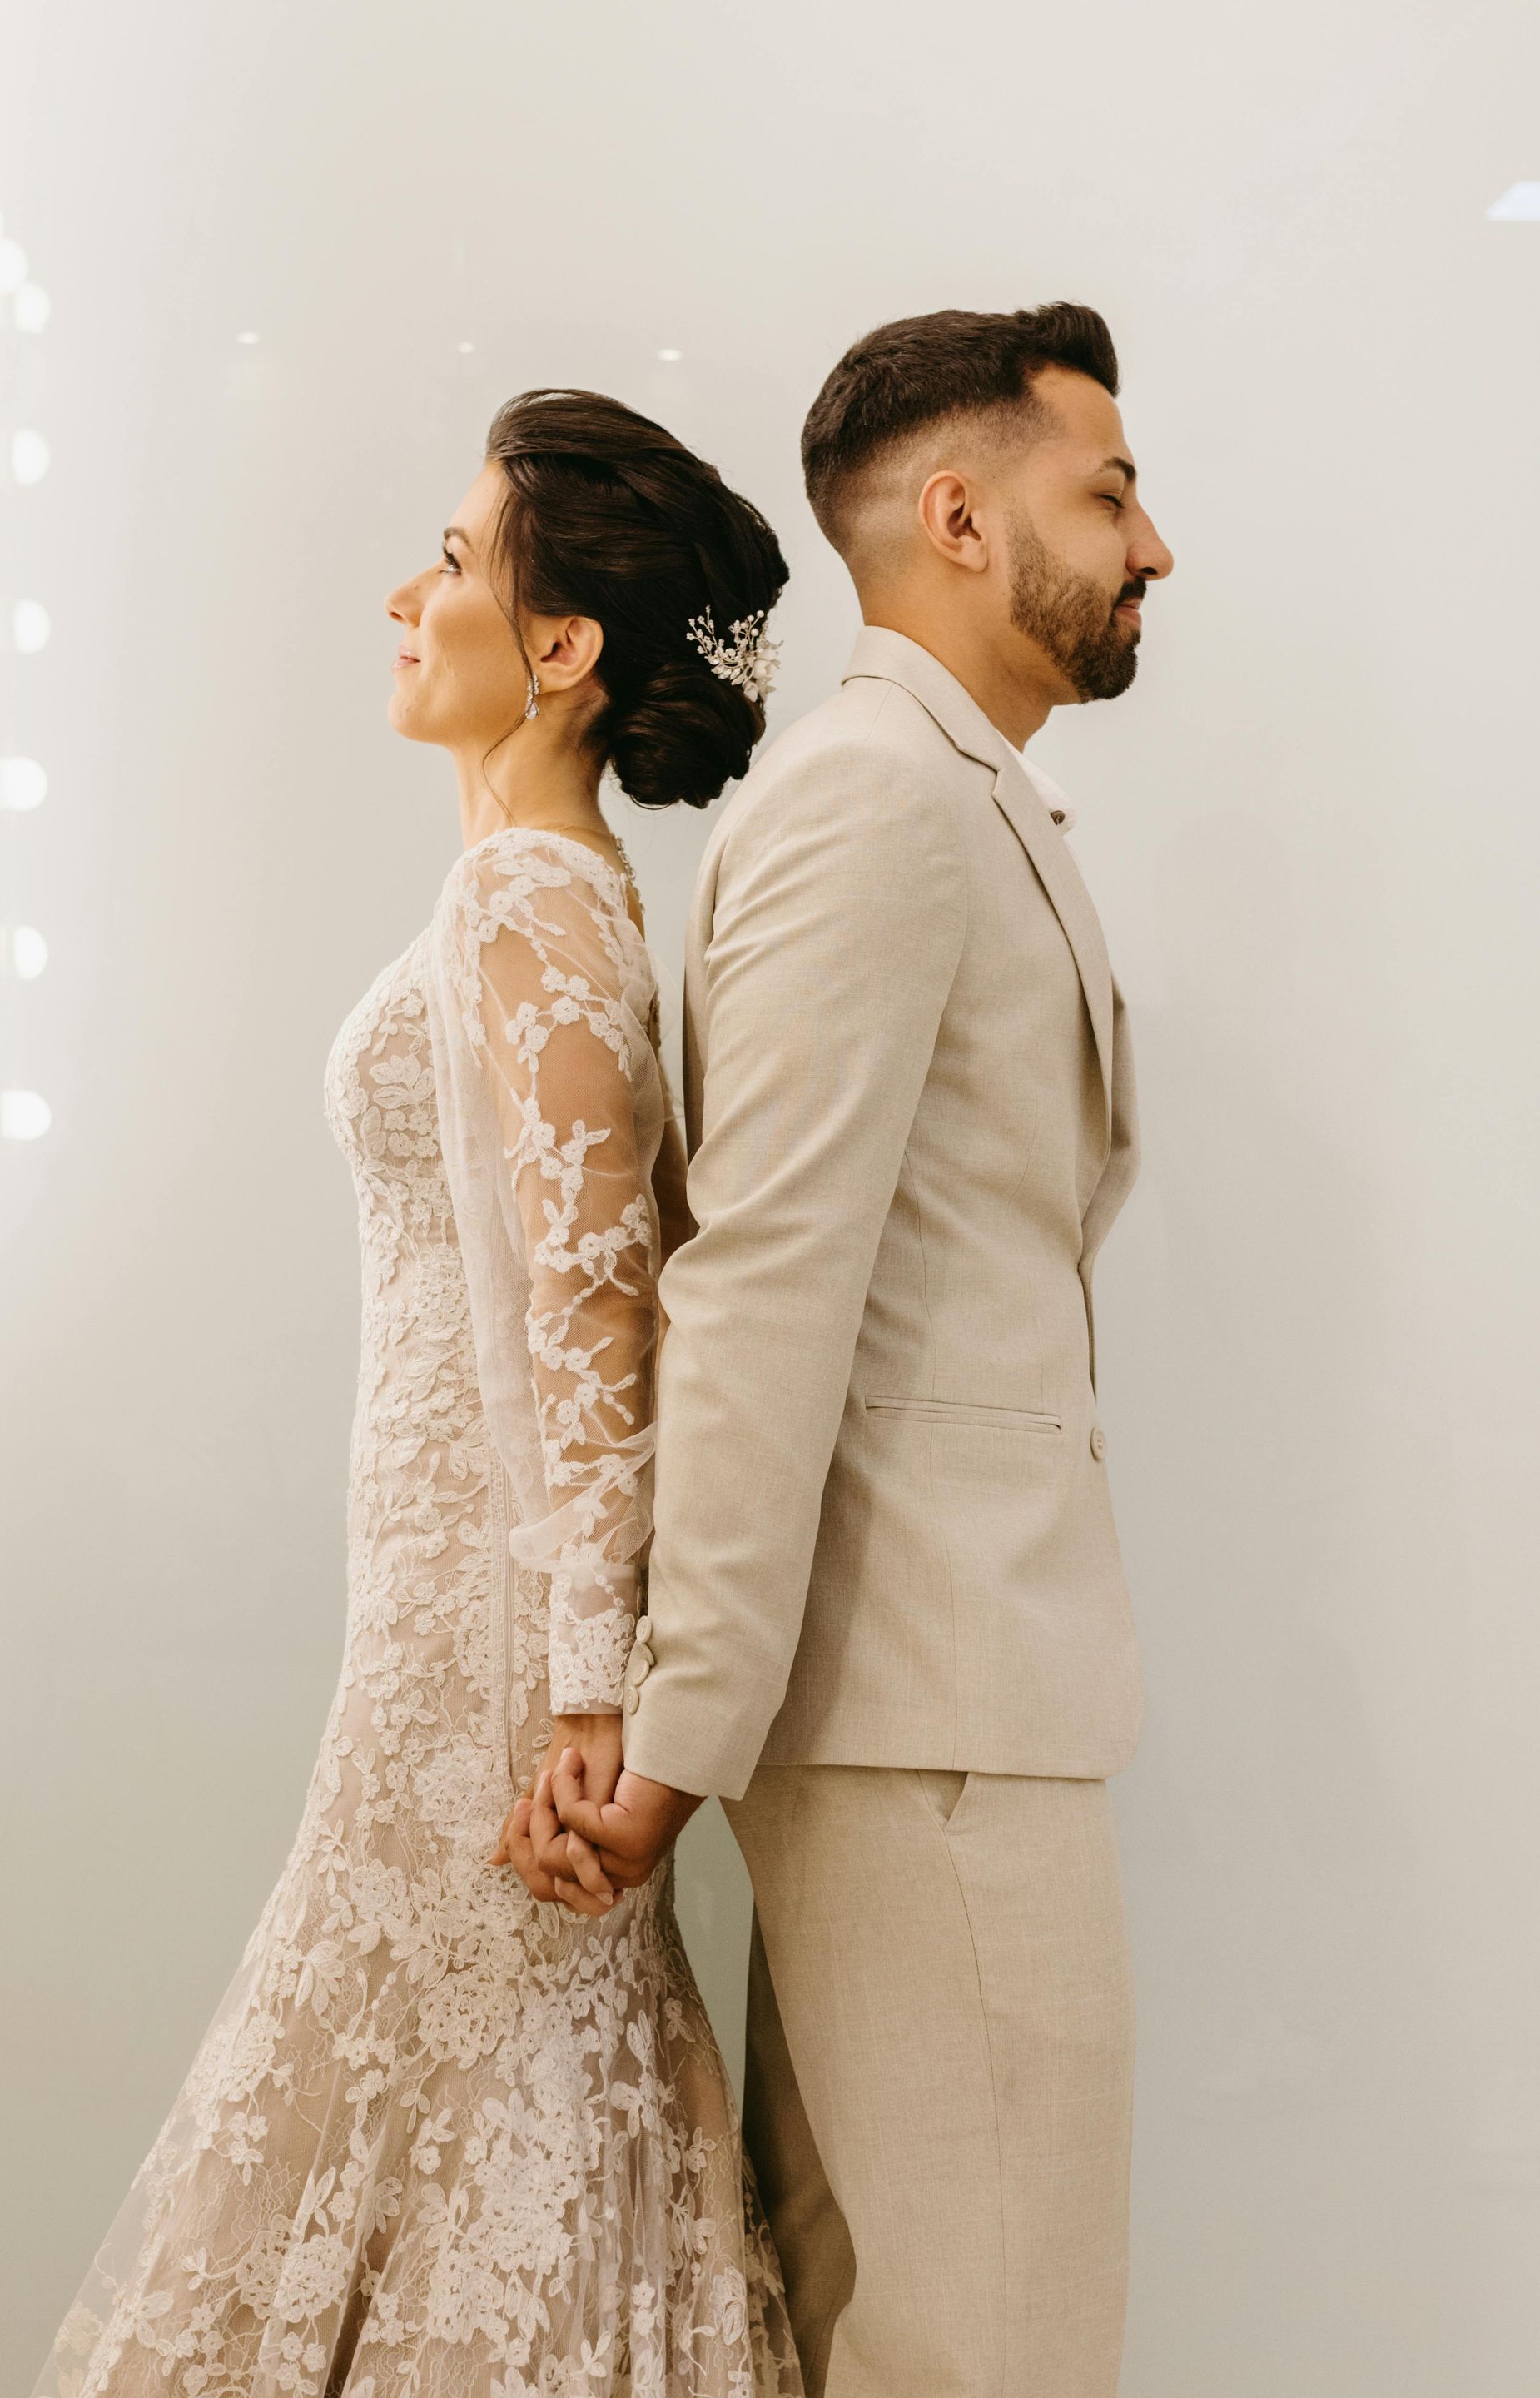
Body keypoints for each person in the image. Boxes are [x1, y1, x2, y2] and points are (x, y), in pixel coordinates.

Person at [35, 390, 802, 2398]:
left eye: (450, 559)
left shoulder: (528, 901)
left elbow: (595, 1314)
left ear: (562, 651)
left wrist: (580, 1691)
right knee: (466, 2088)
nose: (405, 591)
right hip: (446, 1614)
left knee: (469, 2074)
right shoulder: (538, 895)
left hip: (489, 1657)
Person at [526, 306, 1175, 2397]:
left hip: (944, 1710)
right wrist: (684, 1721)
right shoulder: (881, 799)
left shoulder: (946, 796)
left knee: (918, 2346)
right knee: (995, 2353)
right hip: (928, 1720)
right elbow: (762, 1275)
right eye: (1112, 489)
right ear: (963, 517)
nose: (1156, 544)